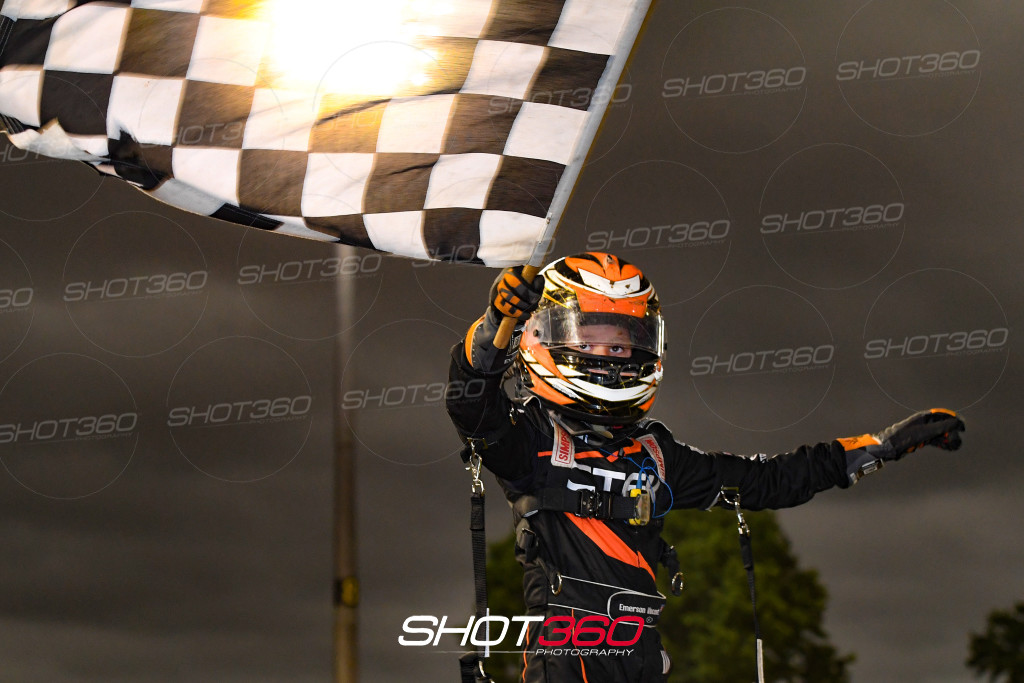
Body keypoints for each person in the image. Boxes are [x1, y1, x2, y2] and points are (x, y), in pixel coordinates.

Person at [445, 252, 965, 683]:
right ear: (541, 337)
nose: (610, 356)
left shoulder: (656, 453)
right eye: (590, 341)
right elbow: (469, 403)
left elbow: (768, 481)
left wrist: (880, 447)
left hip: (645, 664)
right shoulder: (531, 442)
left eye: (622, 343)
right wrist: (495, 323)